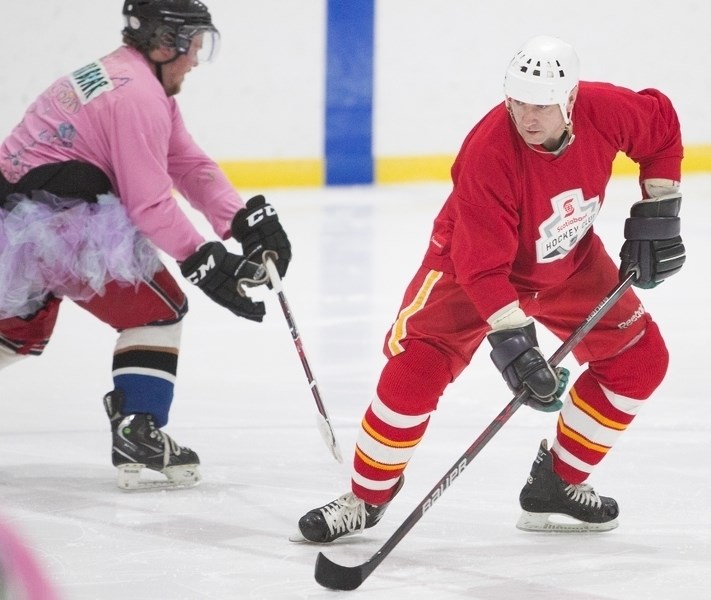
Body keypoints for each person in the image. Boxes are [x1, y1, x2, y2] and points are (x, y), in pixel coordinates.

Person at [294, 34, 685, 541]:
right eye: (518, 102)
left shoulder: (605, 108)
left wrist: (659, 214)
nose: (528, 117)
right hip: (468, 271)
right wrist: (516, 349)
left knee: (639, 360)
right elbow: (482, 269)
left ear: (570, 99)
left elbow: (661, 129)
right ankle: (366, 497)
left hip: (567, 259)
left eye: (542, 105)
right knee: (413, 373)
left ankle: (556, 485)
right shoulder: (488, 153)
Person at [0, 0, 291, 491]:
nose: (197, 59)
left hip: (18, 221)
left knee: (16, 333)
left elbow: (188, 164)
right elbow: (150, 204)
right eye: (194, 46)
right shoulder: (137, 97)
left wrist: (237, 222)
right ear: (163, 43)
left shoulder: (127, 77)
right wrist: (201, 260)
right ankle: (140, 428)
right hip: (56, 222)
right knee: (158, 311)